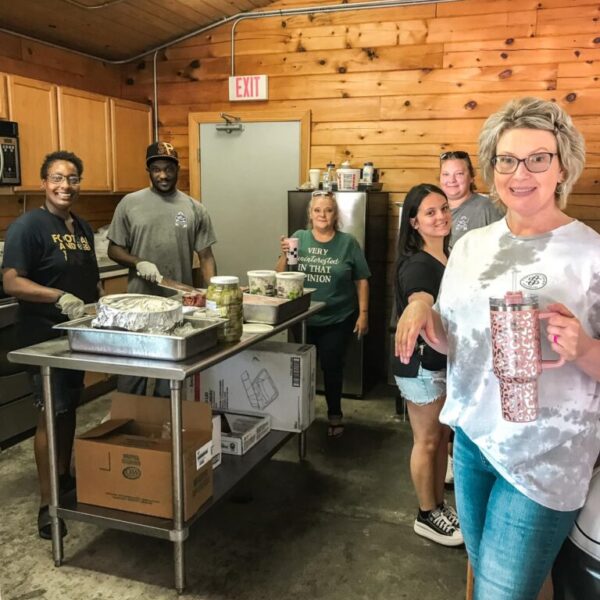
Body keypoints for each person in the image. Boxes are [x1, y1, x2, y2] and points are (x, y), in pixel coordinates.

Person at [396, 97, 600, 599]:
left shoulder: (589, 254)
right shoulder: (471, 247)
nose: (520, 172)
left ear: (562, 166)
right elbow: (456, 340)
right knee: (485, 574)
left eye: (538, 158)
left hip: (546, 453)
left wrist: (582, 347)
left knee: (502, 592)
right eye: (507, 160)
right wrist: (427, 318)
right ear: (492, 168)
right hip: (473, 442)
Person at [2, 150, 102, 539]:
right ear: (44, 183)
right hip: (43, 337)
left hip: (77, 334)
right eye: (58, 178)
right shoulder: (28, 226)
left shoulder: (82, 228)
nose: (66, 186)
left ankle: (64, 476)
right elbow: (12, 282)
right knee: (50, 412)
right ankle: (48, 505)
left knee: (69, 408)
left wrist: (97, 305)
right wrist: (57, 297)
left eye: (73, 178)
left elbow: (89, 278)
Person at [107, 141, 217, 396]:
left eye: (168, 168)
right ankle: (127, 425)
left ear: (177, 169)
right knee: (132, 375)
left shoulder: (194, 208)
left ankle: (164, 428)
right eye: (156, 169)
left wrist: (213, 295)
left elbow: (207, 256)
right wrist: (138, 262)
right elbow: (114, 249)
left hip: (178, 305)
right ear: (149, 171)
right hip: (137, 306)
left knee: (171, 378)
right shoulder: (130, 203)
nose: (163, 175)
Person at [392, 183, 463, 547]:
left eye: (444, 209)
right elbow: (419, 296)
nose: (440, 217)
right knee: (427, 441)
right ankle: (425, 513)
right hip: (420, 367)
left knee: (440, 439)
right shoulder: (418, 262)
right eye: (430, 212)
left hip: (442, 363)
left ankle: (438, 504)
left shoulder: (448, 255)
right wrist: (419, 306)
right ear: (414, 222)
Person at [277, 191, 370, 438]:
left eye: (328, 210)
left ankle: (334, 415)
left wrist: (363, 314)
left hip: (337, 317)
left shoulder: (347, 243)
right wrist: (284, 254)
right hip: (302, 318)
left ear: (335, 214)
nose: (322, 215)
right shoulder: (300, 238)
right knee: (301, 368)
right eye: (317, 210)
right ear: (310, 213)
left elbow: (361, 280)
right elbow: (280, 275)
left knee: (332, 367)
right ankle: (299, 414)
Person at [439, 150, 504, 247]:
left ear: (471, 177)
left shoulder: (488, 208)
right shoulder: (433, 209)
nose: (452, 180)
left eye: (459, 173)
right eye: (446, 174)